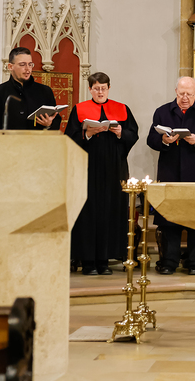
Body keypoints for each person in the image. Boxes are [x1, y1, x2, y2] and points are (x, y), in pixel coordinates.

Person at [65, 72, 139, 276]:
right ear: (90, 89)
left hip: (114, 168)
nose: (100, 92)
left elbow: (133, 134)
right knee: (88, 213)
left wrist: (120, 133)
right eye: (96, 88)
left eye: (103, 88)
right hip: (88, 168)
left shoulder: (122, 109)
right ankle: (88, 262)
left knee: (110, 211)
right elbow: (70, 137)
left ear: (109, 88)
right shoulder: (80, 109)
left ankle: (104, 261)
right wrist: (88, 134)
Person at [147, 76, 195, 275]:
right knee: (169, 220)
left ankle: (194, 262)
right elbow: (151, 139)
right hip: (170, 173)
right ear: (176, 92)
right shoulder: (163, 111)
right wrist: (164, 140)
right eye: (181, 94)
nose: (185, 97)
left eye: (189, 93)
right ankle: (169, 262)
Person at [0, 47, 60, 130]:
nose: (27, 69)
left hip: (37, 138)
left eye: (30, 64)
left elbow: (56, 121)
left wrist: (49, 124)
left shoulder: (45, 91)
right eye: (22, 64)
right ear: (10, 66)